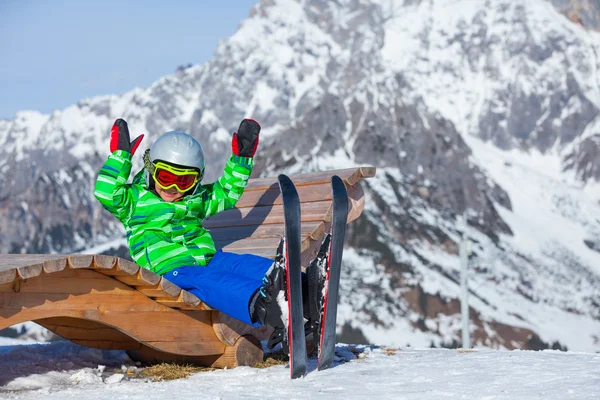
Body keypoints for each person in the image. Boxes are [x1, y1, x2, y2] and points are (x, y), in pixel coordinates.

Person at [94, 118, 291, 348]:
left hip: (208, 259)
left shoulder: (195, 199)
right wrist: (120, 157)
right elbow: (106, 193)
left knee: (241, 265)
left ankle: (296, 286)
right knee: (210, 280)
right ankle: (265, 306)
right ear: (151, 171)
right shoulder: (134, 202)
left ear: (195, 181)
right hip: (169, 274)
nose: (173, 189)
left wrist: (242, 159)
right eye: (165, 178)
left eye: (184, 181)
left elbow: (225, 192)